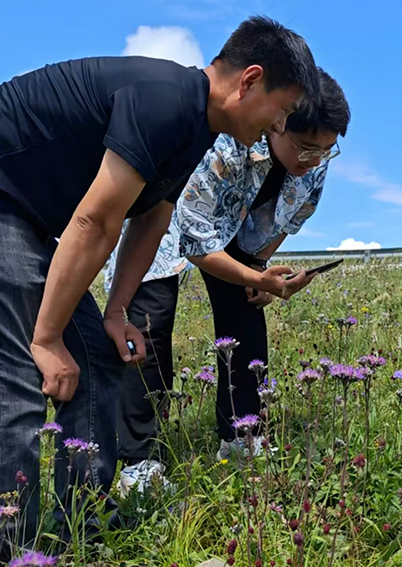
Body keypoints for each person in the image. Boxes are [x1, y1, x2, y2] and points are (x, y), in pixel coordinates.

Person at [0, 16, 319, 551]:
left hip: (32, 220)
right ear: (249, 81)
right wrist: (47, 337)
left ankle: (85, 526)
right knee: (18, 378)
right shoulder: (166, 99)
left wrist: (116, 312)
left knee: (98, 358)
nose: (278, 127)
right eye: (282, 111)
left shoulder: (197, 125)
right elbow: (95, 222)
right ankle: (15, 545)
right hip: (8, 203)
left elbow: (152, 217)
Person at [104, 69, 350, 494]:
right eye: (307, 148)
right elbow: (196, 240)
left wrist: (260, 271)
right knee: (149, 321)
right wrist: (254, 274)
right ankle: (139, 458)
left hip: (234, 233)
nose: (315, 160)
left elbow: (284, 222)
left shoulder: (315, 162)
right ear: (278, 121)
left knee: (246, 312)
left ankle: (242, 434)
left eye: (327, 151)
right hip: (166, 222)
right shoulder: (227, 143)